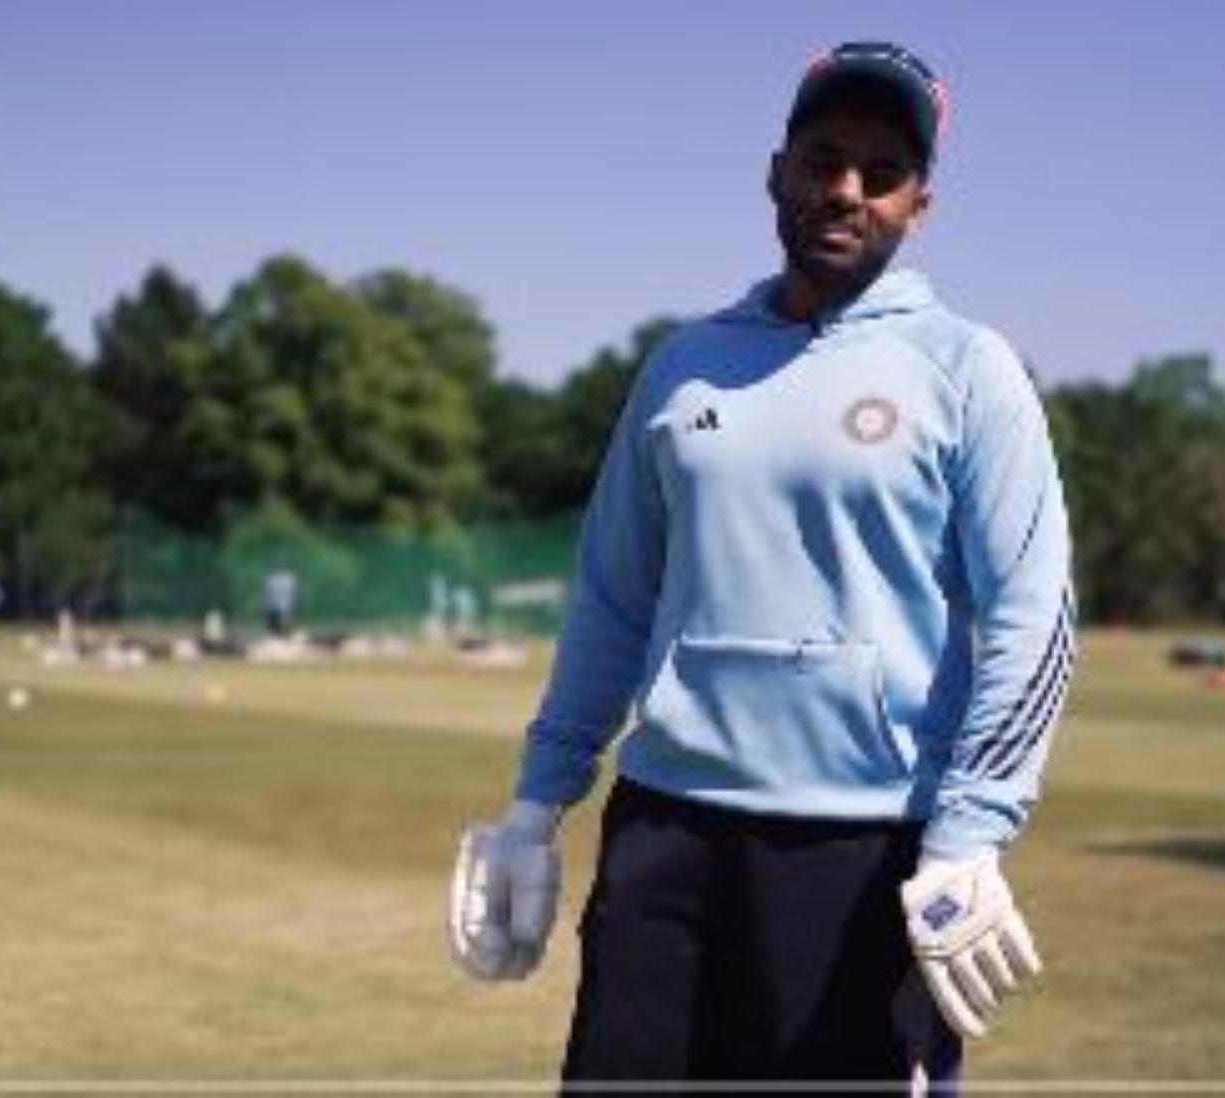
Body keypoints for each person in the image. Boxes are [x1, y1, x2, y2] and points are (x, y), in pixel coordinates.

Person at [447, 41, 1076, 1091]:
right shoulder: (683, 365)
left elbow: (1031, 624)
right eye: (823, 159)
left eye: (880, 173)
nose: (846, 191)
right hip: (663, 836)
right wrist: (533, 805)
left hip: (866, 849)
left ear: (919, 203)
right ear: (775, 171)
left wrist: (968, 836)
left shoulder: (969, 370)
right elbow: (613, 600)